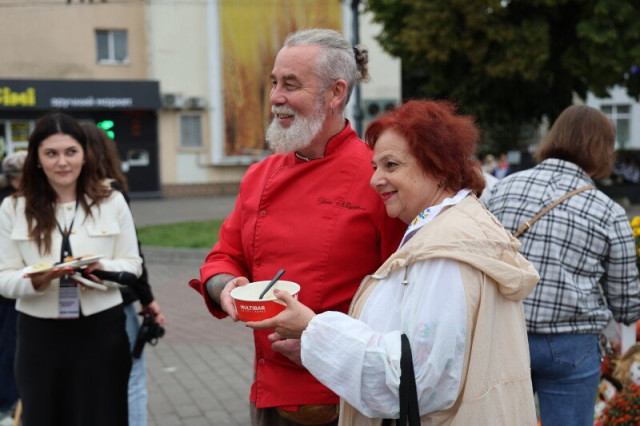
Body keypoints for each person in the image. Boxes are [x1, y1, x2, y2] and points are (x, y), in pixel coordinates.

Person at [247, 99, 540, 425]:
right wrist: (315, 347)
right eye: (375, 167)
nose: (375, 179)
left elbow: (410, 382)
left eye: (391, 165)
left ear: (436, 167)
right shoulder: (446, 231)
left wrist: (313, 329)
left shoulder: (444, 254)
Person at [188, 28, 405, 426]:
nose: (275, 97)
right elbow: (224, 256)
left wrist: (325, 341)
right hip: (268, 392)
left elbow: (402, 294)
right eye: (274, 83)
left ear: (335, 93)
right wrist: (225, 288)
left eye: (290, 85)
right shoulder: (259, 175)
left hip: (346, 399)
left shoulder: (378, 178)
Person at [484, 104, 640, 426]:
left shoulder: (502, 190)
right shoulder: (608, 212)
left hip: (505, 334)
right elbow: (626, 305)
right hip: (572, 344)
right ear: (601, 149)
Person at [0, 112, 142, 426]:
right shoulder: (13, 208)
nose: (62, 162)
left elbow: (133, 266)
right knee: (44, 416)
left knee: (103, 415)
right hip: (40, 334)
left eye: (71, 152)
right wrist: (36, 280)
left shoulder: (111, 201)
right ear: (37, 159)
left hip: (101, 331)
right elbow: (3, 277)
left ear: (84, 155)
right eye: (51, 153)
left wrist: (100, 269)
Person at [82, 122, 166, 426]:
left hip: (76, 301)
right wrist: (148, 299)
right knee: (131, 378)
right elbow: (133, 252)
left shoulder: (61, 196)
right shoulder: (110, 192)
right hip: (116, 298)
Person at [0, 151, 26, 425]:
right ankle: (9, 404)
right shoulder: (11, 204)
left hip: (10, 286)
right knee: (10, 347)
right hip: (11, 289)